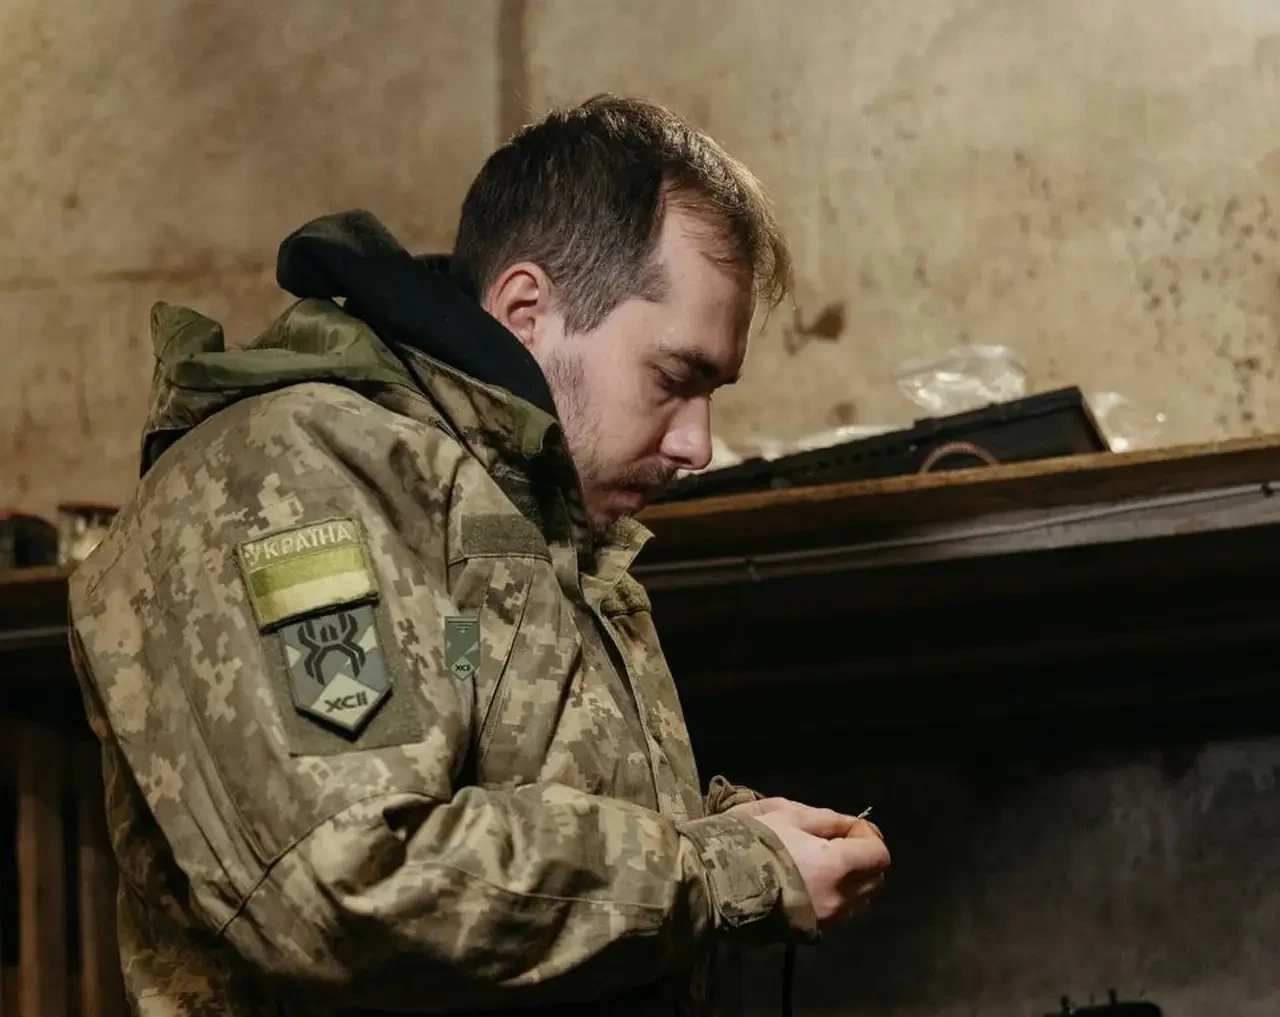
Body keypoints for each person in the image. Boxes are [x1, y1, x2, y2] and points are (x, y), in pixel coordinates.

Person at [69, 94, 890, 1017]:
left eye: (714, 391)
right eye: (674, 377)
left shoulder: (529, 510)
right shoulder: (289, 474)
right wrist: (725, 868)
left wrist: (736, 832)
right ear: (526, 311)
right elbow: (352, 881)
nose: (698, 443)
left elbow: (531, 807)